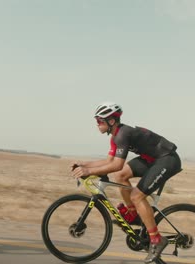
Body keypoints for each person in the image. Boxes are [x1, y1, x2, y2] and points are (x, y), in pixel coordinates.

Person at [71, 102, 182, 264]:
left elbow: (116, 165)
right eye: (97, 120)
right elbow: (108, 161)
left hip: (167, 160)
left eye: (100, 120)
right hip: (152, 159)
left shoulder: (123, 134)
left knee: (137, 196)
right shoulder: (115, 137)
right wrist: (84, 165)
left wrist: (88, 172)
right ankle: (134, 214)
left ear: (111, 121)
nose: (97, 124)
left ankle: (157, 239)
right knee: (121, 177)